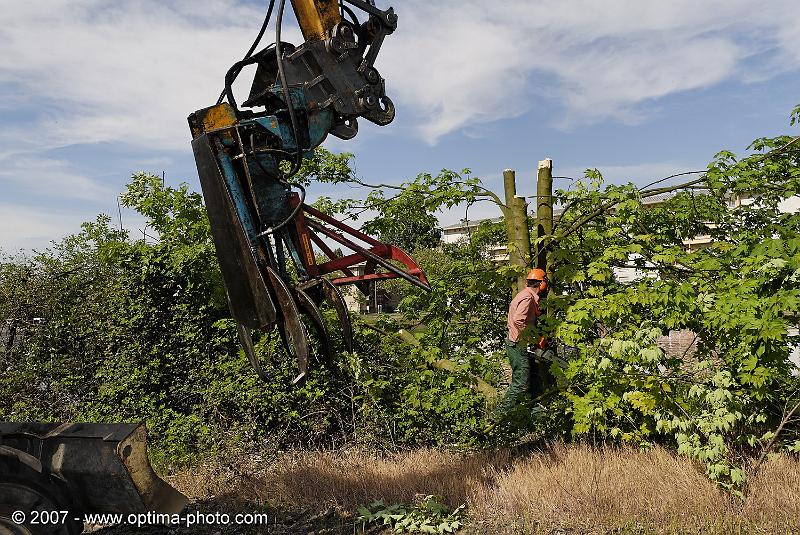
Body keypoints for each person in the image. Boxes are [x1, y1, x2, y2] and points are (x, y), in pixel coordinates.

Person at [494, 268, 549, 417]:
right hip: (517, 345)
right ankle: (497, 416)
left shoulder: (525, 295)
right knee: (521, 384)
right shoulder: (527, 298)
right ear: (541, 284)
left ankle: (536, 416)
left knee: (533, 379)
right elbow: (519, 320)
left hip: (520, 344)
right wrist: (535, 338)